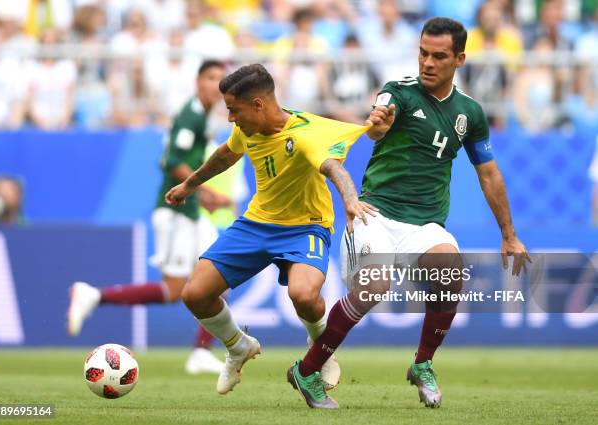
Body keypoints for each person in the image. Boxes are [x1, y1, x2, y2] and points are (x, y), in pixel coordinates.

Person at [287, 17, 531, 409]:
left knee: (450, 272)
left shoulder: (470, 113)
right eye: (422, 53)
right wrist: (378, 123)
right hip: (374, 214)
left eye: (438, 56)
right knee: (375, 286)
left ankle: (423, 364)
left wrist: (509, 234)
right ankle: (308, 369)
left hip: (425, 223)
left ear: (459, 59)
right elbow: (379, 123)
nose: (427, 63)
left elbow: (488, 173)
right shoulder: (398, 93)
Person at [164, 64, 376, 407]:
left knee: (304, 294)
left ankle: (320, 352)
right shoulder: (248, 128)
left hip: (306, 225)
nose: (230, 118)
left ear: (259, 105)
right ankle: (238, 346)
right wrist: (190, 185)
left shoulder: (304, 133)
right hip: (257, 223)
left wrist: (350, 201)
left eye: (234, 110)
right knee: (195, 294)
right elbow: (225, 155)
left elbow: (334, 168)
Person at [67, 60, 232, 374]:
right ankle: (93, 295)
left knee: (222, 274)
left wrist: (203, 197)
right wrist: (204, 192)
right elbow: (172, 160)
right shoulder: (191, 115)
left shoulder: (204, 116)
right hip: (174, 213)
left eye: (221, 80)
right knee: (174, 291)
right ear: (198, 81)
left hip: (190, 212)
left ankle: (201, 351)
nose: (216, 85)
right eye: (211, 78)